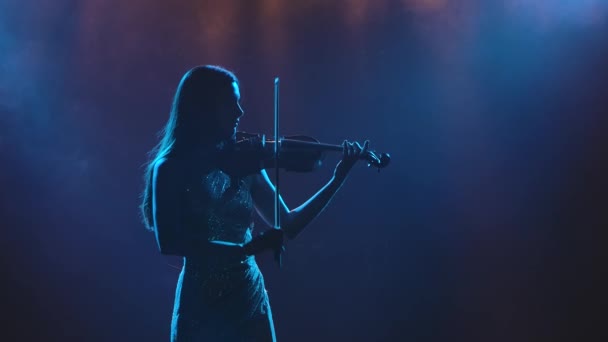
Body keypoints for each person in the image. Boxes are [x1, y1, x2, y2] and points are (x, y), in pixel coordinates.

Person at [139, 65, 369, 341]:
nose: (240, 112)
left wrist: (337, 179)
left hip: (248, 294)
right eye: (230, 103)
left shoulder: (245, 162)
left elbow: (289, 224)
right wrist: (246, 248)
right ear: (205, 108)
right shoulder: (170, 168)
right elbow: (170, 242)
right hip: (200, 301)